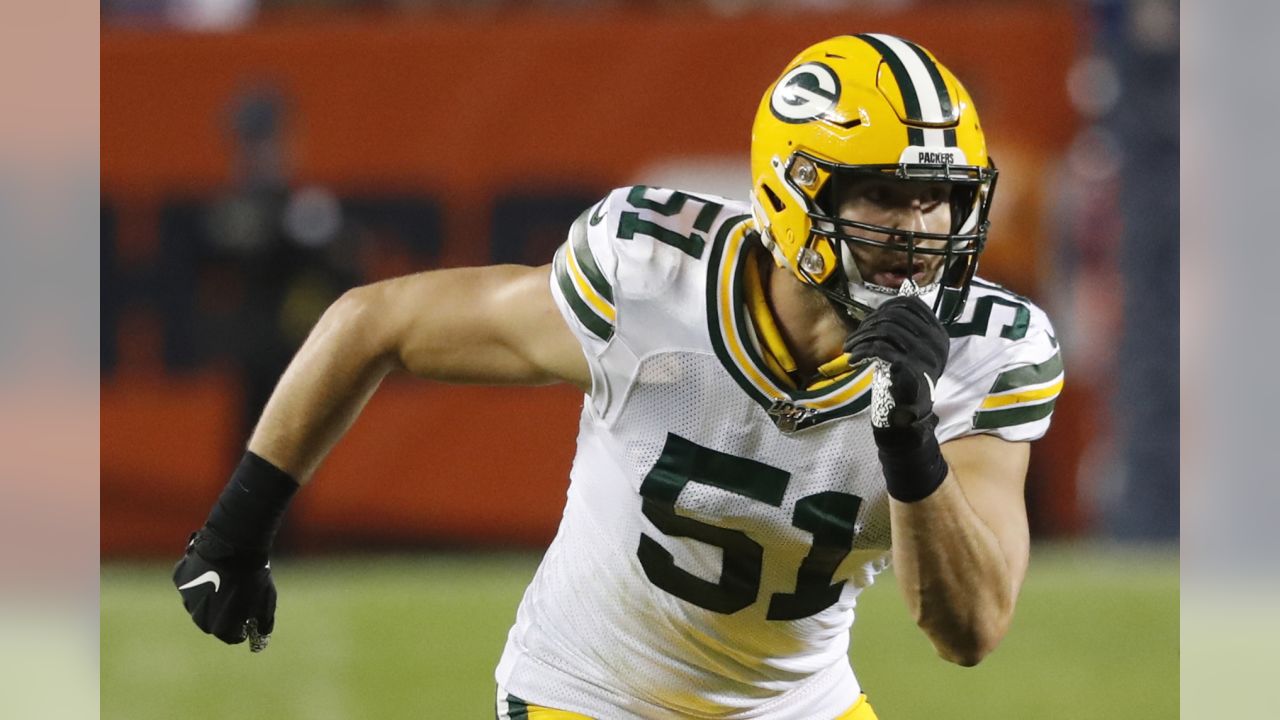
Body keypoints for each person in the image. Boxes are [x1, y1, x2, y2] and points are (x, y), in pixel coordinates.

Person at [173, 34, 1062, 719]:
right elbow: (373, 322)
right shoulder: (651, 277)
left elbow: (970, 631)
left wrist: (911, 445)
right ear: (796, 193)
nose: (919, 229)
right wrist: (235, 531)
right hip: (592, 692)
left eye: (939, 196)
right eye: (883, 194)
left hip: (795, 703)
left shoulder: (988, 351)